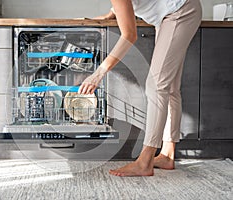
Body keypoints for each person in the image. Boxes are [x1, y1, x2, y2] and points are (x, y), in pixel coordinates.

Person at [78, 0, 202, 176]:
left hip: (180, 11)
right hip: (169, 16)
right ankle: (167, 155)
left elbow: (129, 35)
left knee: (156, 86)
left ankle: (145, 161)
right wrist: (113, 12)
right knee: (170, 87)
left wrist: (98, 74)